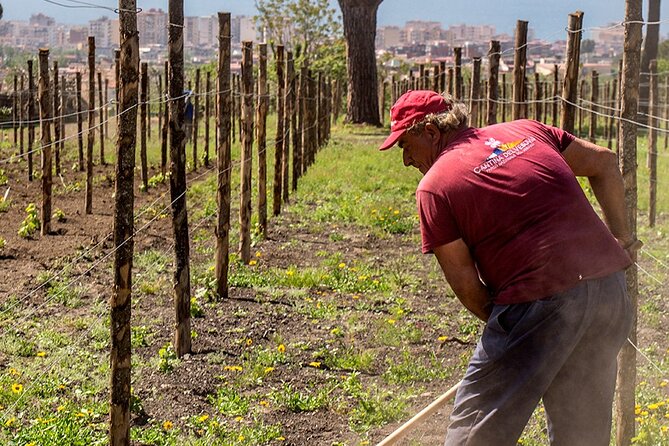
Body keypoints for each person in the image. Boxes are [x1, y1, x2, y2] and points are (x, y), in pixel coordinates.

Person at [379, 89, 642, 446]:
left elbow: (469, 289)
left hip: (538, 297)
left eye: (405, 145)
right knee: (582, 435)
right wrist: (621, 240)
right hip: (609, 292)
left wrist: (516, 335)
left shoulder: (435, 187)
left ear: (430, 131)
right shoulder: (526, 131)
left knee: (474, 434)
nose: (407, 160)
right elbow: (605, 162)